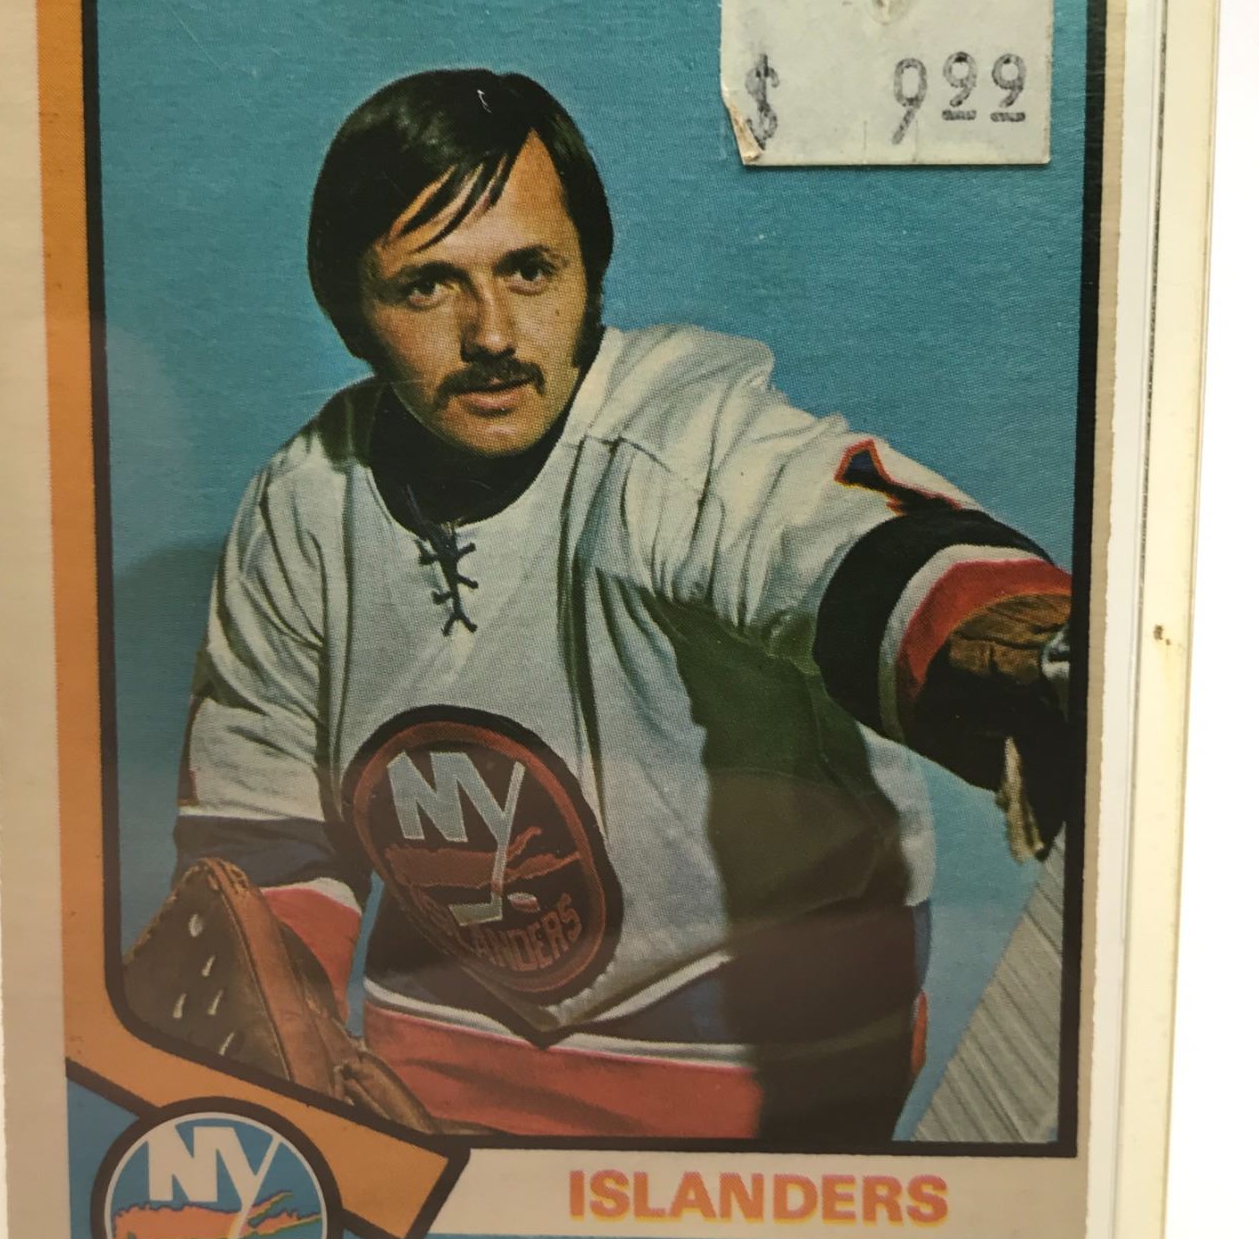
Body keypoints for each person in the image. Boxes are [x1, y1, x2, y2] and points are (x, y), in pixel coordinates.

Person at [124, 68, 1072, 1146]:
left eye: (529, 270)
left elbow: (830, 535)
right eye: (428, 287)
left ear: (590, 273)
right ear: (353, 315)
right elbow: (268, 835)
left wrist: (1025, 649)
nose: (492, 331)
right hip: (441, 1056)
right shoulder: (305, 504)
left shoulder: (679, 434)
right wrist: (282, 1064)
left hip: (765, 1058)